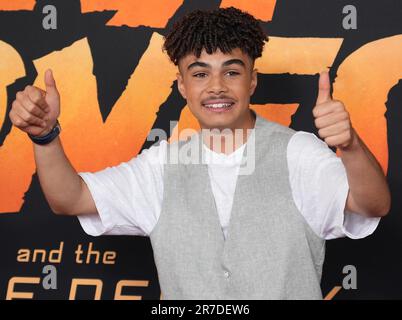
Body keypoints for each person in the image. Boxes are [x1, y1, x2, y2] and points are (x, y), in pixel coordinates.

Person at [9, 7, 390, 299]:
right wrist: (45, 136)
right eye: (200, 73)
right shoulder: (162, 165)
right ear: (182, 86)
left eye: (232, 72)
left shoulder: (298, 153)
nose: (217, 87)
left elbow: (373, 205)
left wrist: (350, 145)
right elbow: (69, 198)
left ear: (252, 80)